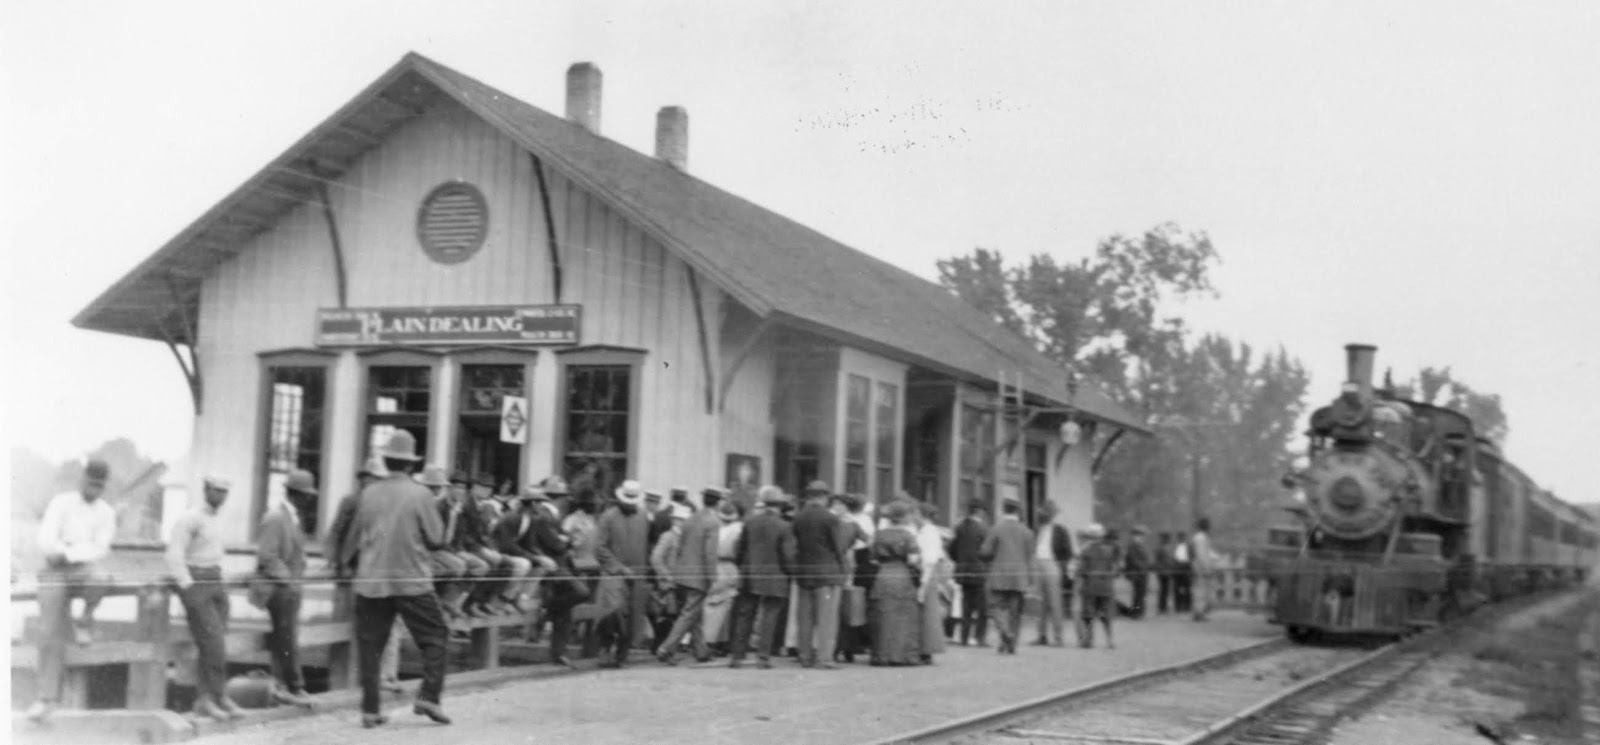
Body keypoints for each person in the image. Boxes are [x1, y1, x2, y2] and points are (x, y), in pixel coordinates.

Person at [348, 430, 452, 728]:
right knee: (436, 636)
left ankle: (370, 710)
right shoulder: (421, 494)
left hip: (371, 581)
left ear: (387, 460)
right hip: (411, 580)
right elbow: (436, 539)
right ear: (410, 464)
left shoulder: (368, 493)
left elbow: (357, 538)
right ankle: (429, 696)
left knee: (370, 646)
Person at [27, 459, 118, 722]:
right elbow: (46, 539)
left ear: (104, 486)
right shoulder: (61, 502)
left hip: (80, 567)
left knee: (101, 577)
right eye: (91, 483)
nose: (94, 490)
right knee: (49, 629)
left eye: (100, 486)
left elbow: (99, 548)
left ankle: (85, 618)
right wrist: (62, 552)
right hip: (54, 570)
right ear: (82, 479)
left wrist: (69, 552)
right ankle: (45, 699)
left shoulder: (106, 513)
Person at [166, 476, 243, 721]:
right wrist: (187, 586)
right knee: (212, 641)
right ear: (206, 490)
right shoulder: (190, 518)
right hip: (196, 582)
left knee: (216, 644)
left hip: (215, 581)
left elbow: (214, 553)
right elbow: (174, 554)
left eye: (224, 492)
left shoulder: (218, 519)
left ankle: (216, 696)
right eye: (216, 491)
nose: (220, 496)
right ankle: (207, 699)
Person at [326, 458, 404, 693]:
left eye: (378, 480)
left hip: (377, 570)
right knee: (356, 624)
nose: (373, 484)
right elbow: (336, 533)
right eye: (370, 479)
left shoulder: (386, 505)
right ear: (362, 480)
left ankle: (385, 676)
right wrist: (337, 562)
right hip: (355, 569)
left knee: (387, 623)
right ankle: (354, 681)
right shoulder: (351, 502)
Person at [254, 468, 318, 707]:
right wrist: (289, 580)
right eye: (306, 494)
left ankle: (281, 686)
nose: (310, 499)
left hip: (288, 589)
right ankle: (295, 686)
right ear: (296, 494)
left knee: (285, 637)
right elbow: (267, 556)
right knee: (287, 637)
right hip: (278, 590)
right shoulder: (276, 517)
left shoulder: (292, 517)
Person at [728, 486, 795, 669]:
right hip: (775, 577)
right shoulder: (784, 526)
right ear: (780, 506)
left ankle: (737, 656)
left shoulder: (750, 522)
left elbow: (740, 550)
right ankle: (763, 657)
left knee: (745, 615)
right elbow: (787, 556)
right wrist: (791, 573)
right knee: (770, 616)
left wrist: (742, 567)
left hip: (750, 575)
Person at [656, 487, 723, 664]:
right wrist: (712, 577)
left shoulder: (691, 518)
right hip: (698, 576)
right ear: (718, 502)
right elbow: (710, 553)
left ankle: (701, 651)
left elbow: (680, 547)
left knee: (694, 614)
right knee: (688, 614)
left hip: (683, 573)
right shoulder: (713, 522)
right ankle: (666, 648)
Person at [594, 479, 652, 668]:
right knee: (612, 611)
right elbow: (599, 547)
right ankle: (605, 648)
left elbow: (647, 545)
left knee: (634, 615)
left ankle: (623, 653)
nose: (629, 504)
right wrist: (618, 567)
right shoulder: (608, 517)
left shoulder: (643, 517)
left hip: (637, 575)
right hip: (614, 575)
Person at [791, 481, 847, 668]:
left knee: (805, 618)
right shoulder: (830, 518)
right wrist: (843, 569)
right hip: (827, 573)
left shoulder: (798, 517)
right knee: (826, 618)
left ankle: (804, 655)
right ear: (824, 497)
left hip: (804, 573)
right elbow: (838, 547)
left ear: (808, 497)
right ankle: (825, 657)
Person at [867, 500, 922, 666]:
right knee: (904, 617)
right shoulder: (908, 536)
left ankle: (881, 654)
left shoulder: (879, 534)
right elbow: (913, 559)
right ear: (904, 517)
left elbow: (872, 558)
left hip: (883, 576)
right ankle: (901, 655)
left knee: (883, 615)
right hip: (902, 575)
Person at [980, 499, 1034, 655]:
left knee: (995, 607)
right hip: (1019, 577)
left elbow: (985, 551)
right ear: (1018, 512)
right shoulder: (1027, 532)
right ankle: (1012, 644)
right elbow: (1030, 557)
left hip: (999, 576)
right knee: (1015, 612)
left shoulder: (996, 529)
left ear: (1003, 510)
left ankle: (1005, 633)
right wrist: (1030, 579)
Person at [830, 494, 869, 663]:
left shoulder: (844, 524)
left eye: (840, 505)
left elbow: (867, 540)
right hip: (842, 566)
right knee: (843, 608)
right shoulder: (850, 524)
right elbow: (867, 540)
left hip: (841, 567)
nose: (837, 508)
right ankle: (844, 648)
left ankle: (841, 647)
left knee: (842, 608)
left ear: (846, 507)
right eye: (835, 505)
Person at [648, 502, 691, 655]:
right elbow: (655, 558)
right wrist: (665, 576)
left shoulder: (683, 538)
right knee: (667, 615)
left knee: (674, 615)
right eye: (682, 520)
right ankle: (663, 648)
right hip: (668, 584)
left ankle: (667, 647)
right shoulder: (668, 537)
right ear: (675, 520)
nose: (684, 523)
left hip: (679, 583)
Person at [702, 499, 745, 654]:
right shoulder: (739, 529)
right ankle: (719, 641)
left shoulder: (714, 527)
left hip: (714, 565)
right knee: (727, 604)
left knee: (713, 604)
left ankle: (710, 640)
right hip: (730, 566)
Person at [914, 501, 953, 663]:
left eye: (916, 514)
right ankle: (924, 649)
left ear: (922, 515)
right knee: (926, 614)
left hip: (927, 574)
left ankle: (927, 650)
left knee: (928, 614)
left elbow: (930, 558)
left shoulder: (929, 532)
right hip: (925, 573)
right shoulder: (925, 530)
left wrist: (923, 580)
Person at [1031, 500, 1073, 646]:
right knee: (1039, 603)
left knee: (1055, 603)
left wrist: (1060, 565)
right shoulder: (1038, 529)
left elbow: (1068, 552)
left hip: (1052, 565)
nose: (1044, 516)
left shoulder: (1060, 530)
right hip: (1038, 564)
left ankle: (1058, 637)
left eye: (1047, 514)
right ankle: (1041, 635)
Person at [950, 500, 991, 646]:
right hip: (979, 571)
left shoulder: (960, 527)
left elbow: (952, 549)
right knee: (982, 607)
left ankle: (964, 637)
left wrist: (959, 562)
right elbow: (987, 551)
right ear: (979, 512)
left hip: (963, 572)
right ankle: (980, 637)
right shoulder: (983, 529)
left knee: (966, 606)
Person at [1075, 523, 1120, 648]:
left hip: (1090, 587)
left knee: (1088, 615)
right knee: (1106, 615)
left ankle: (1088, 639)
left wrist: (1081, 574)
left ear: (1090, 536)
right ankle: (1110, 640)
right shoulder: (1109, 550)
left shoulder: (1086, 550)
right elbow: (1115, 570)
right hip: (1106, 588)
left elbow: (1081, 570)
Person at [1190, 517, 1218, 622]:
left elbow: (1207, 553)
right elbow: (1201, 555)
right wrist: (1206, 568)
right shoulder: (1200, 538)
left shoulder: (1203, 537)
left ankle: (1200, 612)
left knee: (1203, 591)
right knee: (1200, 591)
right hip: (1201, 568)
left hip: (1202, 567)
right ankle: (1198, 613)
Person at [1124, 526, 1152, 619]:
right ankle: (1136, 613)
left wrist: (1147, 566)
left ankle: (1140, 612)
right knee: (1138, 594)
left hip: (1143, 573)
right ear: (1135, 536)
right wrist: (1142, 567)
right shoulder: (1132, 546)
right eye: (1140, 536)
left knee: (1142, 594)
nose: (1142, 538)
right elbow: (1133, 560)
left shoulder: (1141, 546)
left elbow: (1146, 559)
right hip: (1137, 574)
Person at [1172, 530, 1194, 614]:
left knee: (1187, 589)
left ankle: (1187, 606)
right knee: (1177, 589)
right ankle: (1178, 607)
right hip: (1177, 570)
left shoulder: (1188, 547)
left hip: (1186, 569)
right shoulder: (1175, 547)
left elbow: (1191, 558)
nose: (1181, 539)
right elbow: (1174, 559)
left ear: (1184, 538)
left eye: (1182, 537)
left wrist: (1189, 567)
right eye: (1180, 538)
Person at [1153, 533, 1175, 615]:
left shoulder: (1164, 548)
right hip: (1163, 572)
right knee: (1163, 591)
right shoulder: (1161, 548)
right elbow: (1164, 560)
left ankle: (1163, 607)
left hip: (1165, 572)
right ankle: (1162, 608)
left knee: (1165, 591)